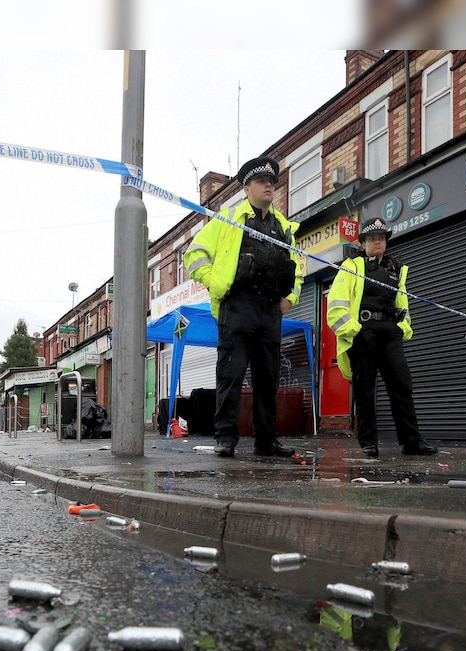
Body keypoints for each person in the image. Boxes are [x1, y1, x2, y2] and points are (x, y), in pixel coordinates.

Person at [184, 155, 303, 458]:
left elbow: (297, 266)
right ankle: (225, 438)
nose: (269, 186)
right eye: (262, 182)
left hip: (269, 309)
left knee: (268, 378)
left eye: (272, 182)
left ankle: (267, 440)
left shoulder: (284, 227)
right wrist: (216, 282)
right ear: (247, 188)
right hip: (237, 304)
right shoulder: (228, 218)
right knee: (231, 374)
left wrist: (291, 298)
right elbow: (194, 254)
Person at [326, 217, 437, 458]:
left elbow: (402, 303)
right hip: (363, 332)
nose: (378, 242)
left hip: (390, 333)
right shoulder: (351, 266)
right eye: (372, 238)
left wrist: (402, 328)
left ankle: (411, 442)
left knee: (402, 386)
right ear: (363, 243)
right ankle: (368, 443)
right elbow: (335, 306)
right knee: (365, 390)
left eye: (381, 238)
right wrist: (354, 331)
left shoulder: (396, 269)